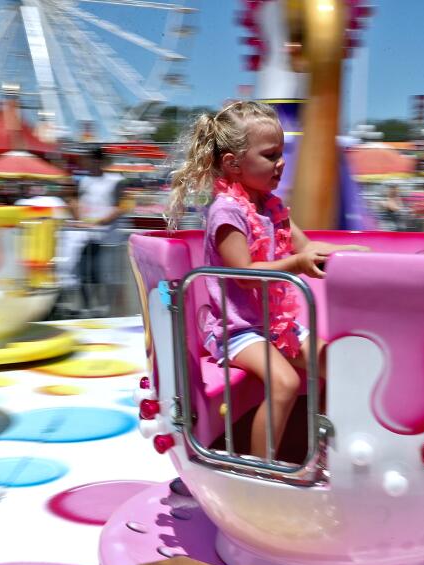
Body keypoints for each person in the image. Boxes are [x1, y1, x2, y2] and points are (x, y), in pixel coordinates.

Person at [166, 100, 364, 459]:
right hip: (237, 330)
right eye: (271, 155)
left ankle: (332, 450)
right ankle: (262, 467)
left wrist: (352, 252)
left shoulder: (270, 206)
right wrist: (299, 264)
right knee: (285, 383)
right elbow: (244, 275)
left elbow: (307, 246)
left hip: (274, 324)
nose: (281, 162)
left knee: (338, 363)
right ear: (233, 164)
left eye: (281, 153)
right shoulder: (227, 212)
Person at [73, 147, 130, 316]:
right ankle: (89, 307)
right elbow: (77, 201)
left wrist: (103, 221)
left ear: (98, 161)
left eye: (90, 160)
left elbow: (123, 205)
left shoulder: (115, 180)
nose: (87, 164)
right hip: (87, 236)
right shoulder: (83, 181)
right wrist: (80, 218)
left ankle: (105, 308)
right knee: (84, 273)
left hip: (109, 238)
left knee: (106, 275)